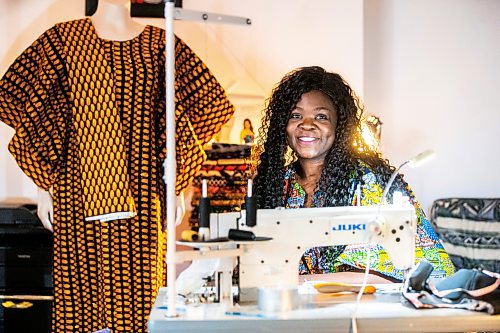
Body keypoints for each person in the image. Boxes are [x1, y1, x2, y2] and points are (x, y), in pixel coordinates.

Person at [0, 0, 234, 332]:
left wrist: (180, 184)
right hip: (76, 191)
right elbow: (30, 107)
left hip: (143, 193)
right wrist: (43, 188)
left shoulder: (159, 44)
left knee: (141, 302)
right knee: (80, 300)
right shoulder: (62, 40)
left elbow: (203, 107)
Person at [253, 66, 454, 282]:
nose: (307, 125)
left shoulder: (369, 181)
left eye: (321, 116)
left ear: (339, 126)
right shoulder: (272, 186)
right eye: (296, 115)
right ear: (282, 124)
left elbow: (433, 269)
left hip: (360, 308)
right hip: (289, 308)